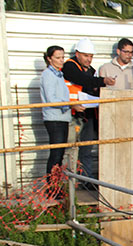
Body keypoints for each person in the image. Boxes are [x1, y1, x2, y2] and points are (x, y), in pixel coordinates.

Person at [62, 38, 115, 183]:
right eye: (86, 56)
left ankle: (86, 179)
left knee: (86, 148)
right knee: (70, 148)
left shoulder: (91, 71)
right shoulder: (69, 66)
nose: (89, 59)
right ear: (77, 54)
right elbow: (82, 80)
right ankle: (68, 181)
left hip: (88, 114)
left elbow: (91, 87)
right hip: (71, 114)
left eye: (91, 56)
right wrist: (102, 81)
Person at [40, 45, 85, 187]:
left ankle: (56, 185)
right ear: (49, 59)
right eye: (57, 58)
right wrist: (71, 105)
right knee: (56, 153)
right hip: (54, 118)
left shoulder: (58, 74)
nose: (61, 60)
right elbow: (51, 99)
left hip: (62, 117)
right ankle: (52, 187)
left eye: (62, 57)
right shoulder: (48, 74)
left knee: (59, 153)